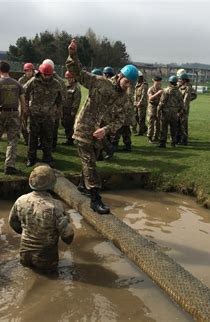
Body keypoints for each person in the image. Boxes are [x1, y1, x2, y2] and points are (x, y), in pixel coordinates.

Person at [66, 38, 138, 214]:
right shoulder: (99, 82)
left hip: (99, 135)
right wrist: (73, 54)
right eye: (127, 81)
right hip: (84, 129)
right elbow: (78, 73)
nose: (128, 86)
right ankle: (95, 199)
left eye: (131, 84)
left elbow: (120, 120)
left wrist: (106, 130)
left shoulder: (124, 99)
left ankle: (82, 186)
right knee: (90, 163)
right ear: (120, 76)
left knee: (92, 159)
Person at [8, 165, 74, 273]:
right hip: (46, 257)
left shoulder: (21, 200)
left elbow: (12, 222)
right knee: (51, 279)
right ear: (52, 184)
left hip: (25, 253)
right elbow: (67, 236)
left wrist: (25, 231)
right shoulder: (55, 206)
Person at [24, 63, 63, 168]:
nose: (47, 77)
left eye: (49, 75)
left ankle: (47, 157)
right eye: (45, 74)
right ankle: (31, 158)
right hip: (34, 115)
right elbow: (24, 94)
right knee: (32, 138)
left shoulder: (56, 84)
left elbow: (60, 99)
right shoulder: (33, 82)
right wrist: (26, 107)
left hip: (49, 116)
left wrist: (57, 111)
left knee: (48, 138)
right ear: (40, 73)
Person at [42, 59, 66, 152]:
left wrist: (57, 107)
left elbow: (63, 96)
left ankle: (52, 145)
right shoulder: (41, 78)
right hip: (43, 109)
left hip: (53, 109)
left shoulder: (58, 81)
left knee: (53, 128)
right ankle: (45, 144)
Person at [157, 75, 184, 148]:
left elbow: (162, 102)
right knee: (173, 128)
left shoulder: (166, 90)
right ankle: (173, 143)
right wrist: (180, 111)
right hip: (175, 113)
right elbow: (181, 103)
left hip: (166, 112)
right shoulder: (179, 92)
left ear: (170, 82)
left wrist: (158, 110)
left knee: (164, 128)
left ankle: (163, 143)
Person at [62, 71, 81, 146]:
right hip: (64, 110)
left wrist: (73, 110)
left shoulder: (76, 88)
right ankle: (70, 138)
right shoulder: (66, 86)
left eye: (70, 78)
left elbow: (77, 100)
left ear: (74, 78)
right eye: (68, 78)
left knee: (69, 126)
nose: (69, 80)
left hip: (70, 111)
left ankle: (70, 140)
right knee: (65, 124)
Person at [177, 73, 197, 145]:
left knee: (183, 124)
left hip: (184, 109)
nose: (179, 80)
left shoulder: (188, 88)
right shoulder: (180, 86)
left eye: (180, 79)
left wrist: (183, 109)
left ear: (184, 80)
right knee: (178, 123)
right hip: (178, 107)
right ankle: (178, 139)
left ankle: (184, 140)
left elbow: (186, 100)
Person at [18, 63, 35, 145]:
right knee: (23, 122)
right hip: (23, 103)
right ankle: (26, 139)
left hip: (34, 104)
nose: (28, 72)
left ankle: (33, 140)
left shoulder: (37, 79)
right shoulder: (21, 80)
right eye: (26, 71)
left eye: (30, 71)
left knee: (32, 123)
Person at [147, 75, 164, 144]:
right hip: (152, 107)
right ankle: (150, 137)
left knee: (158, 123)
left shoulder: (161, 89)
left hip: (158, 107)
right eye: (156, 82)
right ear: (153, 81)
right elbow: (150, 98)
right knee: (151, 122)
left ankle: (156, 137)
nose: (158, 83)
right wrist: (158, 93)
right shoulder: (151, 89)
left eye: (159, 82)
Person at [134, 71, 148, 136]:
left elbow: (144, 94)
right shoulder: (137, 83)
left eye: (138, 77)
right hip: (136, 103)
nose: (137, 78)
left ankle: (140, 132)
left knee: (141, 118)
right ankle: (144, 128)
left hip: (142, 104)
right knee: (136, 116)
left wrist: (140, 102)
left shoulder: (144, 84)